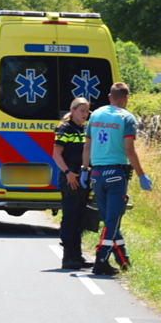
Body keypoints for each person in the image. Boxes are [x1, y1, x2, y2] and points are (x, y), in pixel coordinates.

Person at [82, 82, 153, 276]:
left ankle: (124, 261)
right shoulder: (127, 118)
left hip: (96, 174)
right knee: (112, 222)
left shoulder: (94, 115)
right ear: (125, 99)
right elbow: (129, 149)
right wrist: (141, 175)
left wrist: (84, 170)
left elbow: (87, 147)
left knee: (109, 220)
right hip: (115, 175)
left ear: (109, 96)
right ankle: (100, 260)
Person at [52, 97, 92, 270]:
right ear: (73, 110)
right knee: (70, 215)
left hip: (82, 176)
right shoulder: (65, 128)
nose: (85, 114)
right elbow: (57, 155)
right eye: (82, 111)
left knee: (80, 216)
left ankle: (77, 255)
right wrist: (68, 173)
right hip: (70, 177)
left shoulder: (83, 129)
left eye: (86, 111)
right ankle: (68, 257)